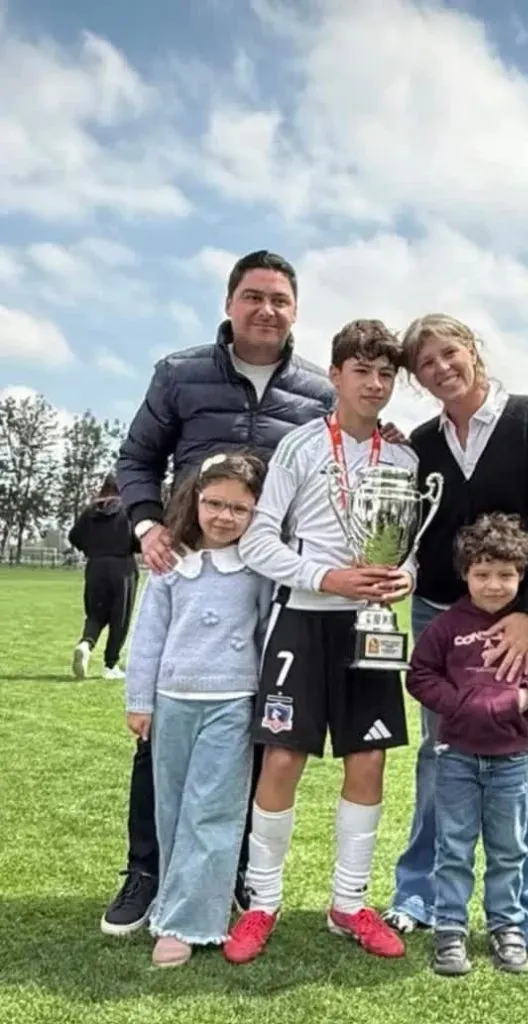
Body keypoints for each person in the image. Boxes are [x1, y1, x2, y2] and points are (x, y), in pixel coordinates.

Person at [105, 249, 334, 937]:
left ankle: (225, 872)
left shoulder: (319, 393)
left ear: (295, 311)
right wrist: (147, 525)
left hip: (270, 583)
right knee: (163, 741)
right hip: (190, 572)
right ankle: (147, 871)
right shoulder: (179, 374)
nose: (267, 309)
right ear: (231, 302)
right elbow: (136, 459)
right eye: (254, 296)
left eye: (281, 300)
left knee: (254, 734)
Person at [384, 314, 528, 970]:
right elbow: (412, 531)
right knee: (440, 760)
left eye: (449, 352)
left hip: (517, 621)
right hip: (440, 614)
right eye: (426, 364)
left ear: (473, 349)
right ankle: (416, 898)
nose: (442, 367)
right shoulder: (421, 443)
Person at [223, 320, 416, 965]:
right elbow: (257, 539)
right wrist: (324, 576)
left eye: (386, 373)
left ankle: (349, 903)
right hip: (303, 620)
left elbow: (414, 552)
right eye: (361, 370)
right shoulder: (301, 447)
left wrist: (404, 577)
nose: (375, 383)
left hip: (371, 627)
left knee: (369, 762)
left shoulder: (404, 458)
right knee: (282, 759)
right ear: (334, 374)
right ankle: (262, 903)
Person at [406, 513, 528, 977]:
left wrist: (525, 697)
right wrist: (457, 704)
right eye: (482, 574)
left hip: (512, 764)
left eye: (506, 575)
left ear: (522, 574)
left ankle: (508, 927)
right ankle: (450, 930)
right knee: (454, 846)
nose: (494, 585)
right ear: (466, 575)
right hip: (456, 758)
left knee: (508, 850)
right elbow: (419, 676)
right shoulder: (446, 626)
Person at [125, 451, 273, 968]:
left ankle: (192, 922)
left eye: (240, 508)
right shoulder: (171, 563)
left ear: (257, 512)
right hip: (171, 703)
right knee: (171, 810)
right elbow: (147, 637)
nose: (225, 517)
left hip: (231, 704)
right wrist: (140, 700)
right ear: (196, 500)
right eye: (215, 503)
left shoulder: (258, 568)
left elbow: (264, 635)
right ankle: (170, 902)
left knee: (212, 812)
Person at [69, 473, 139, 681]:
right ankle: (110, 665)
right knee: (120, 617)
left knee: (95, 613)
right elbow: (139, 538)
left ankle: (86, 644)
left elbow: (74, 536)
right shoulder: (129, 510)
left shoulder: (90, 511)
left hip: (95, 566)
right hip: (123, 567)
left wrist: (91, 548)